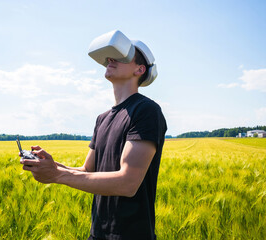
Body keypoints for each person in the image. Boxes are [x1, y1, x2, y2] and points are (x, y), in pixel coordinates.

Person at [20, 32, 167, 240]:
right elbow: (87, 170)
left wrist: (57, 175)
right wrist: (50, 165)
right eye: (110, 56)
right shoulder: (102, 119)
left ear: (139, 69)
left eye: (122, 56)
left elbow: (128, 182)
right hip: (97, 234)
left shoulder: (147, 111)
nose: (110, 59)